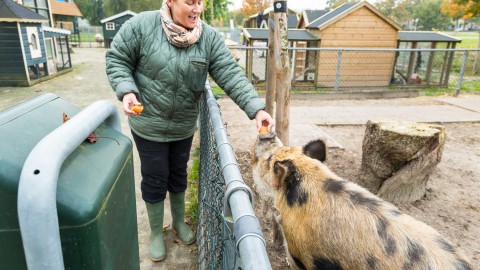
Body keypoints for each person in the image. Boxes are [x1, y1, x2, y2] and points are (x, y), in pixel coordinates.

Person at [105, 0, 274, 263]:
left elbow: (231, 74)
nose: (196, 8)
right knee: (154, 176)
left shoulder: (207, 38)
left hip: (183, 126)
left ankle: (178, 223)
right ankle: (155, 233)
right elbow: (118, 58)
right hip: (148, 123)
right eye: (189, 2)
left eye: (200, 2)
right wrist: (127, 89)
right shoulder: (142, 25)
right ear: (170, 2)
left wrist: (256, 109)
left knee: (178, 173)